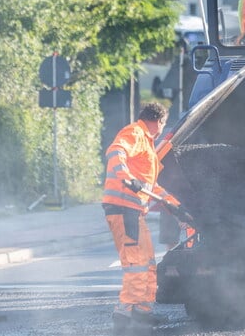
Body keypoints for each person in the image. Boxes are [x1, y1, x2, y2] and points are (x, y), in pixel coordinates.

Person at [102, 102, 179, 333]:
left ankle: (143, 313)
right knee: (135, 264)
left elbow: (151, 186)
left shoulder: (147, 143)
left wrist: (177, 206)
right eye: (164, 124)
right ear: (158, 121)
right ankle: (123, 315)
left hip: (134, 212)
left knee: (148, 263)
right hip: (123, 209)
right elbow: (115, 152)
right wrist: (126, 176)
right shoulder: (134, 133)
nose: (163, 128)